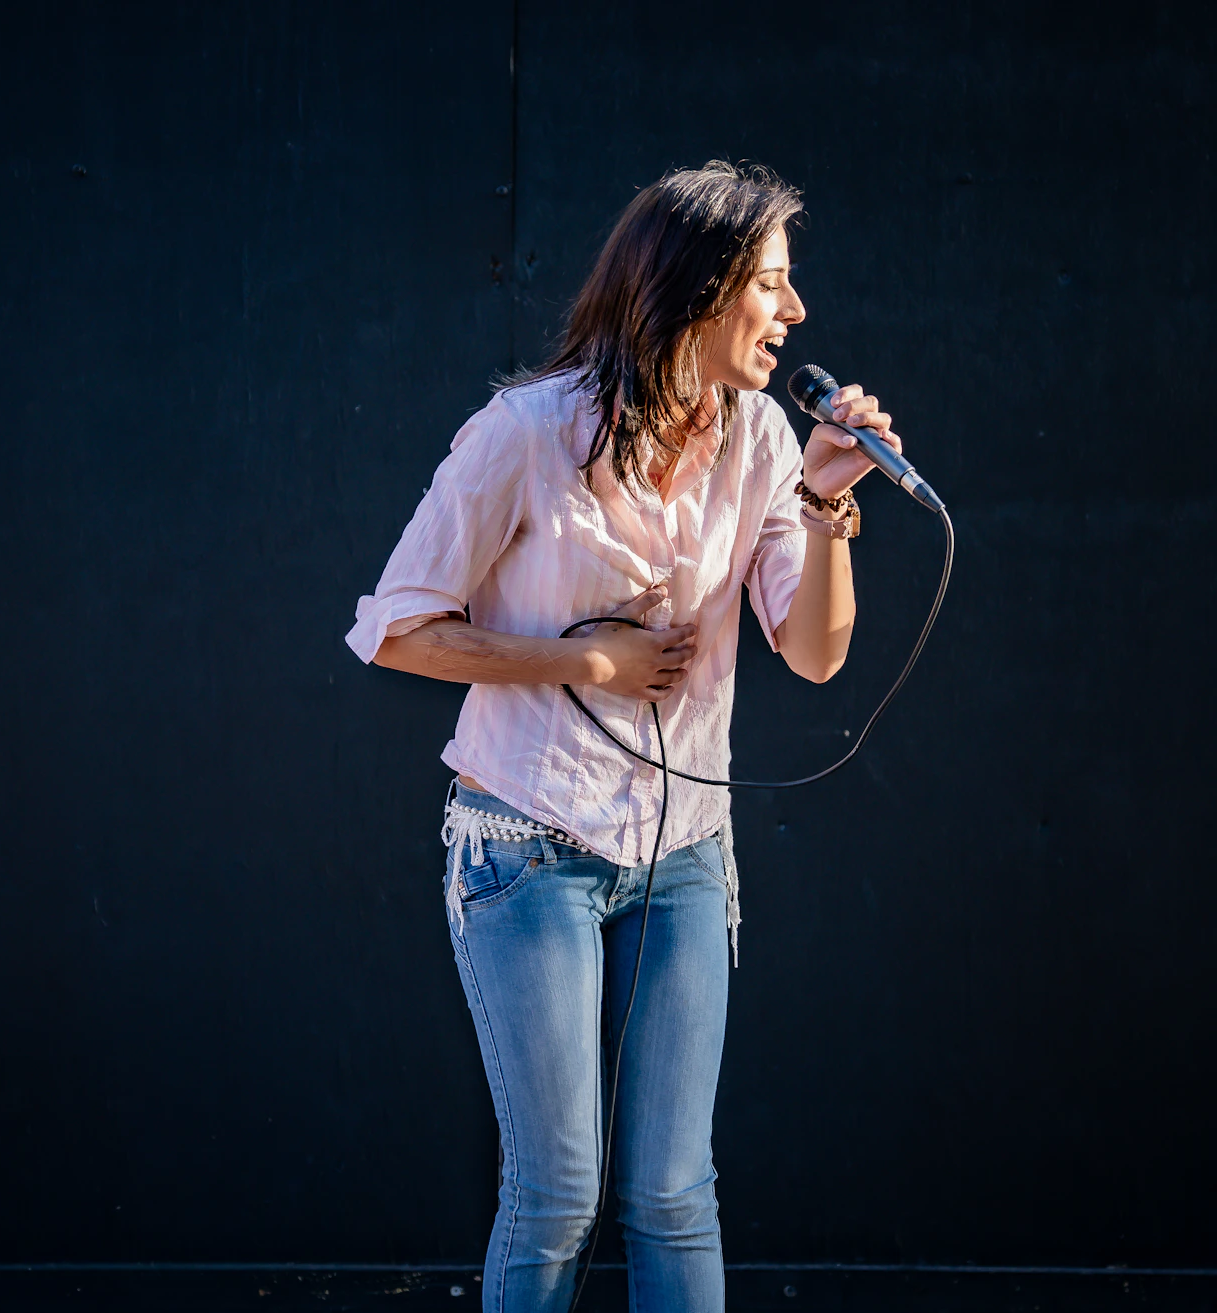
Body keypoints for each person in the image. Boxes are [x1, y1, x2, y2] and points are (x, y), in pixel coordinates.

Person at [344, 161, 903, 1313]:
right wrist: (579, 659)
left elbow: (816, 651)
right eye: (772, 284)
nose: (795, 314)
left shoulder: (760, 445)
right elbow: (393, 628)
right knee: (557, 1191)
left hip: (685, 852)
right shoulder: (527, 433)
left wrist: (829, 503)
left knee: (673, 1192)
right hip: (526, 840)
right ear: (697, 289)